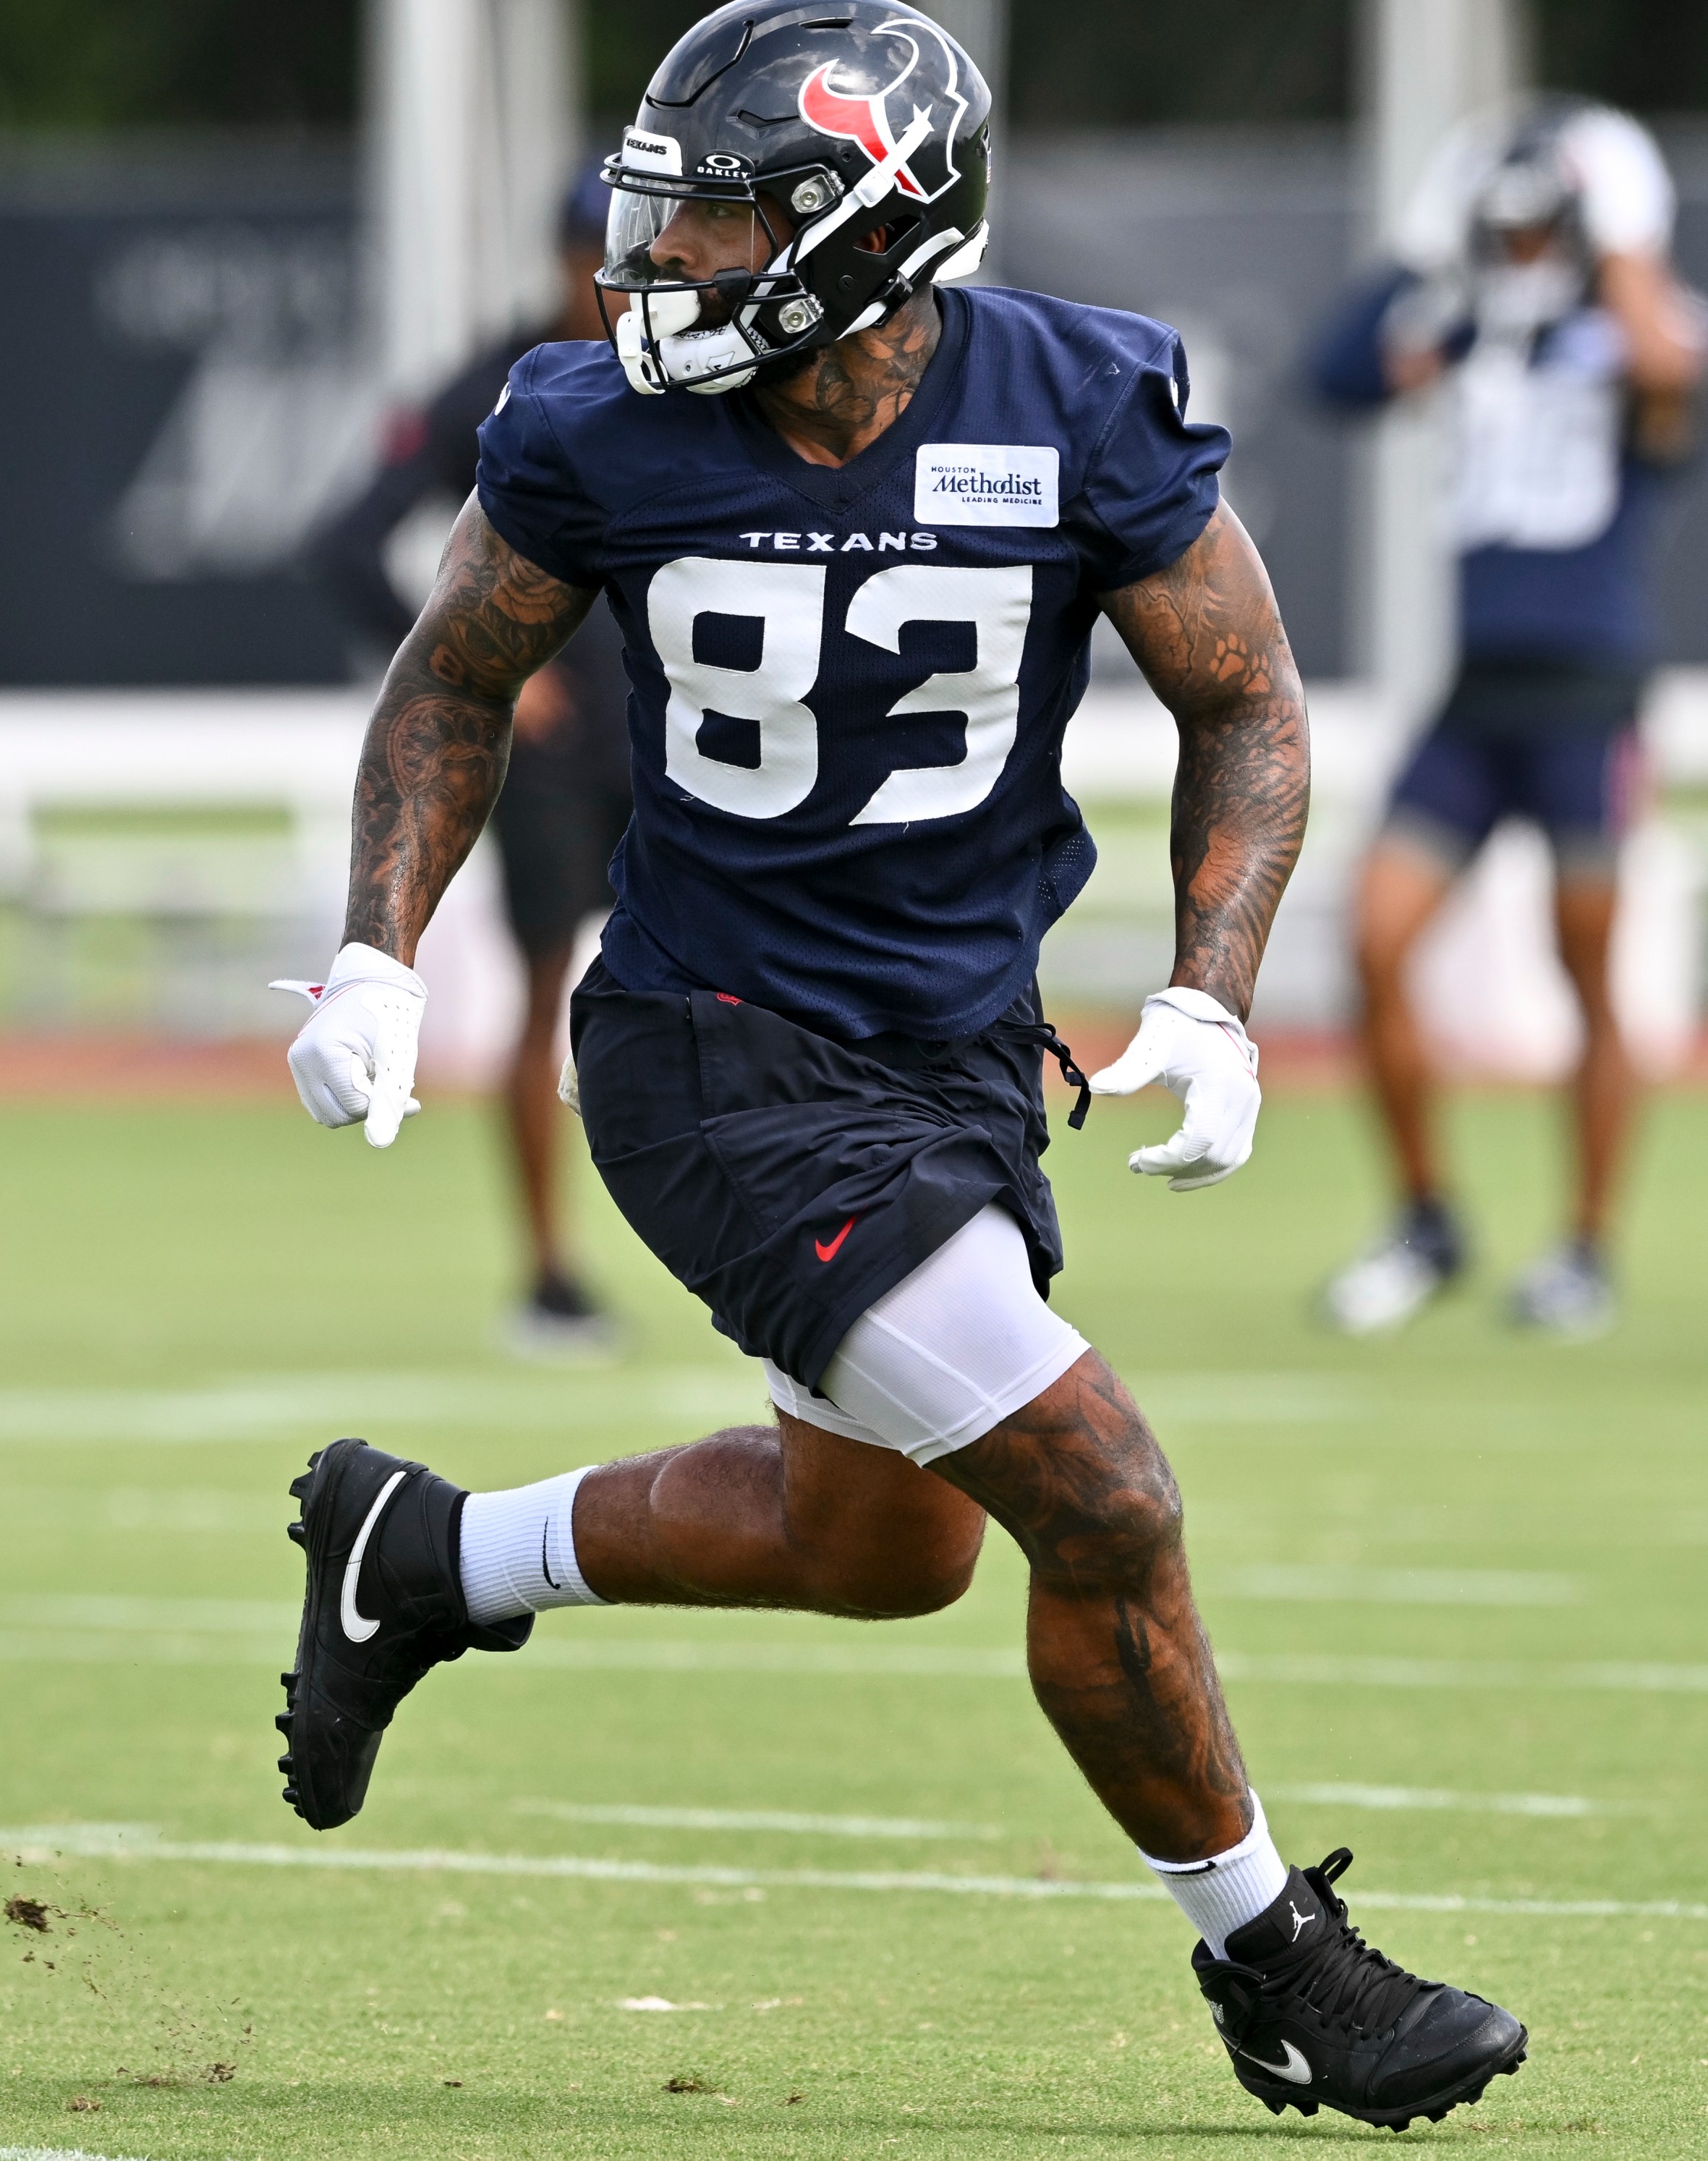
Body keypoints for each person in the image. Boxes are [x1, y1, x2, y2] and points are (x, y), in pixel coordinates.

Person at [272, 1, 1526, 2131]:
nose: (656, 261)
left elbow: (1249, 702)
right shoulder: (591, 429)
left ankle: (429, 1557)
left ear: (869, 224)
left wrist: (1214, 987)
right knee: (1098, 1486)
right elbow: (453, 678)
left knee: (884, 1547)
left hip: (954, 1059)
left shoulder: (1072, 396)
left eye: (719, 220)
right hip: (712, 1051)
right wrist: (377, 952)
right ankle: (1277, 1963)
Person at [1310, 99, 1704, 1338]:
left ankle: (1585, 1247)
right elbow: (1335, 374)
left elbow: (1664, 377)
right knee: (1373, 941)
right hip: (1474, 695)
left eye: (1548, 233)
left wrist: (1627, 238)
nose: (1523, 254)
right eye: (1508, 232)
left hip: (1590, 694)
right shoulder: (1466, 324)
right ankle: (1427, 1218)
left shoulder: (1641, 327)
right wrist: (1429, 246)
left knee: (1586, 971)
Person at [308, 170, 632, 1353]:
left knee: (734, 978)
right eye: (593, 251)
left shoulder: (698, 378)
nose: (613, 277)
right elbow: (345, 543)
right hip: (547, 746)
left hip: (681, 729)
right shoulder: (505, 387)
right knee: (545, 991)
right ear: (557, 258)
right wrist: (490, 669)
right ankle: (550, 1274)